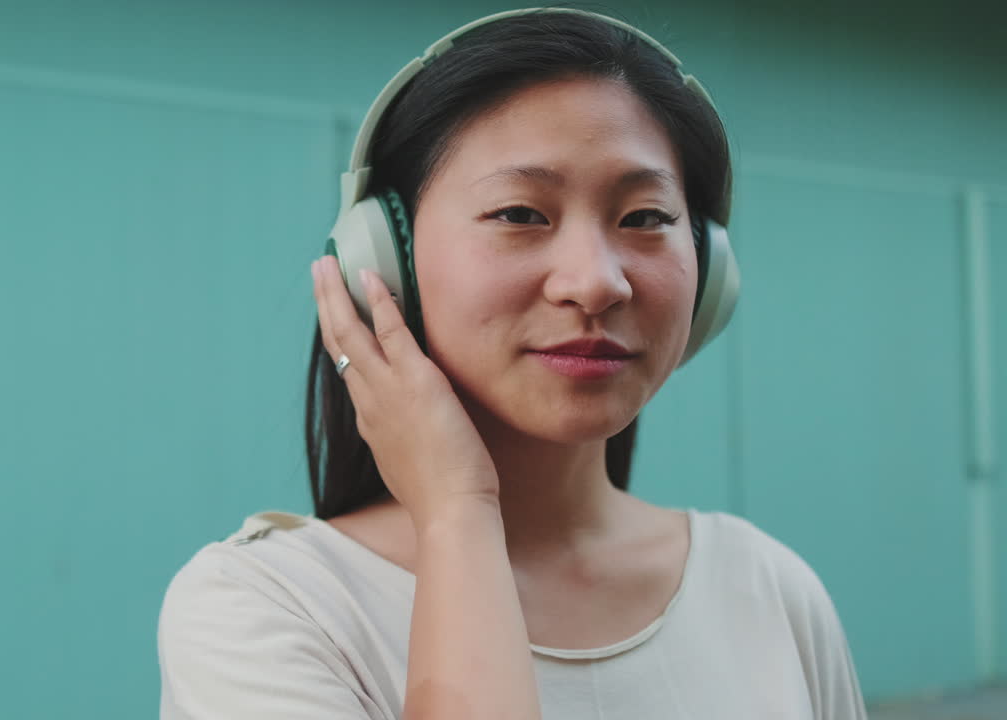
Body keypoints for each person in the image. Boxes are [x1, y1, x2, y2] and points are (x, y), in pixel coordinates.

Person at [158, 7, 868, 719]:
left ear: (710, 273)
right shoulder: (261, 609)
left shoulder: (768, 589)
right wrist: (458, 517)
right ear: (385, 259)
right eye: (521, 214)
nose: (596, 283)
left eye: (645, 218)